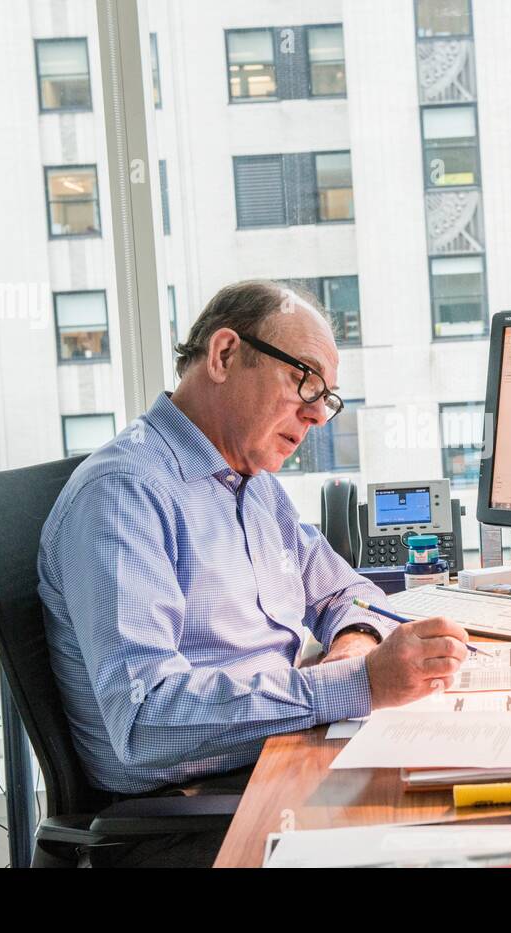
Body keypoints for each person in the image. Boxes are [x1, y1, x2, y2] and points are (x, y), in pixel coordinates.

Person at [37, 280, 470, 865]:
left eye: (327, 397)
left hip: (276, 763)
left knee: (474, 807)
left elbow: (347, 591)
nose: (318, 414)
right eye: (305, 381)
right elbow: (144, 723)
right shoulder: (124, 493)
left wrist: (353, 643)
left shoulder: (254, 485)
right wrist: (358, 683)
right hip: (189, 818)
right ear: (223, 356)